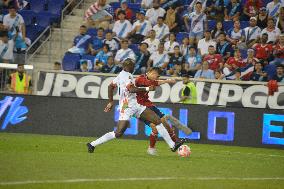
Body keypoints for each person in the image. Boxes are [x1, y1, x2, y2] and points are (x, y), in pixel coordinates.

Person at [86, 59, 186, 153]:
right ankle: (92, 144)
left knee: (157, 120)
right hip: (126, 107)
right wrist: (147, 89)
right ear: (128, 66)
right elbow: (131, 89)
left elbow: (110, 86)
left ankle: (173, 145)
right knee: (118, 133)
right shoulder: (128, 76)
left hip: (136, 105)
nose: (135, 67)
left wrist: (111, 102)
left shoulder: (121, 75)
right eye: (133, 65)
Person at [135, 67, 184, 155]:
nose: (155, 76)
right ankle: (151, 149)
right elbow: (151, 83)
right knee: (155, 128)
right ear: (148, 72)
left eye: (156, 75)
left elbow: (155, 82)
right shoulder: (140, 79)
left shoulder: (151, 80)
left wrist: (167, 81)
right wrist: (167, 81)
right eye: (153, 74)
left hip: (149, 105)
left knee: (166, 124)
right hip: (140, 108)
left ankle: (177, 144)